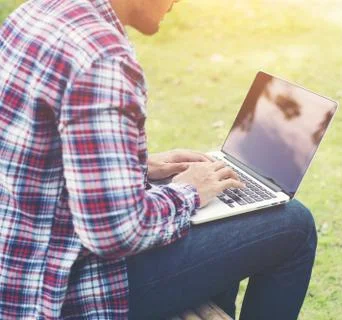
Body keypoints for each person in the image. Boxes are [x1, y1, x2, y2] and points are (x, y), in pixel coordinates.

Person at [0, 0, 318, 319]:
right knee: (295, 224)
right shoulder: (102, 58)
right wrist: (188, 192)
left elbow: (34, 151)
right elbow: (115, 232)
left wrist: (136, 165)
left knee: (225, 214)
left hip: (18, 267)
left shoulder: (37, 13)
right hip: (65, 288)